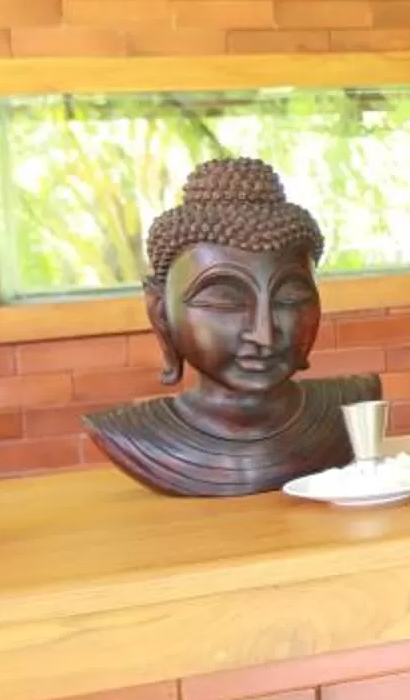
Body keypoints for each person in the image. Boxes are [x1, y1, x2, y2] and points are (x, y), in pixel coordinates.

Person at [84, 156, 380, 496]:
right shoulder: (128, 435)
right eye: (226, 302)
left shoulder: (352, 409)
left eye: (289, 298)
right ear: (161, 312)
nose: (263, 333)